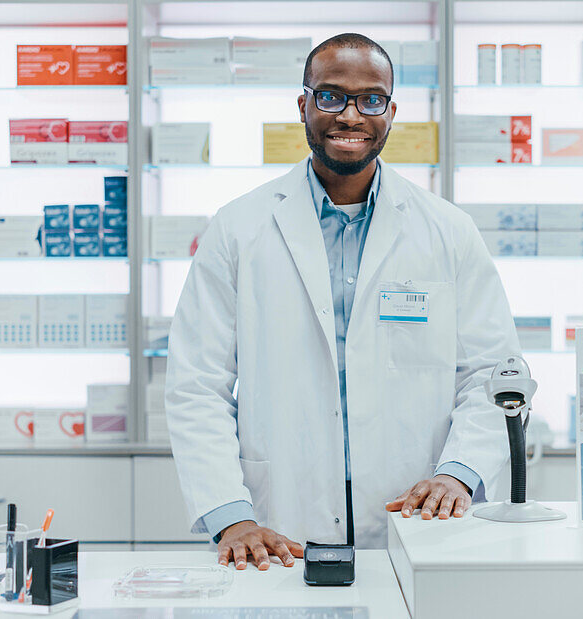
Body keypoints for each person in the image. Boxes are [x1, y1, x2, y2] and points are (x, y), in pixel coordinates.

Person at [165, 33, 520, 571]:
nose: (350, 115)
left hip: (417, 514)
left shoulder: (448, 231)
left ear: (391, 111)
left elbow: (492, 377)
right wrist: (230, 514)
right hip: (277, 524)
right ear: (303, 105)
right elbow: (197, 384)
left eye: (370, 99)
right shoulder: (238, 229)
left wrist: (459, 472)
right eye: (330, 96)